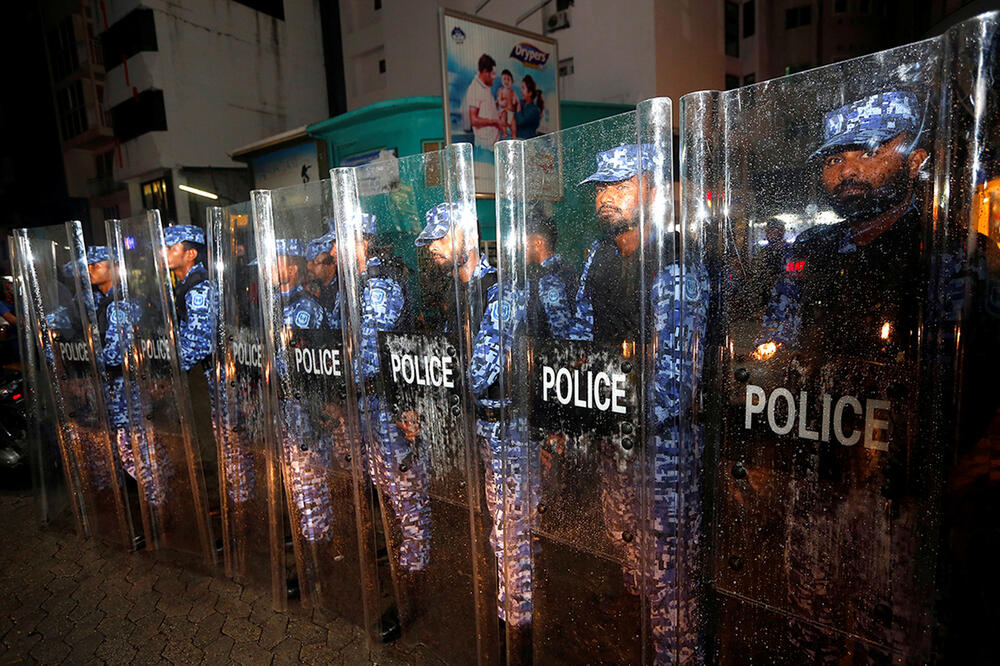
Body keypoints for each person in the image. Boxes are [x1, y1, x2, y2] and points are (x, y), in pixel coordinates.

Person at [750, 91, 937, 662]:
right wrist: (761, 443)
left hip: (901, 493)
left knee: (888, 634)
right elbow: (773, 347)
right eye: (833, 159)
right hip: (816, 469)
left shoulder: (948, 252)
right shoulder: (811, 251)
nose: (846, 169)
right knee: (811, 621)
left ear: (918, 156)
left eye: (867, 150)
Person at [570, 143, 707, 662]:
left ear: (652, 188)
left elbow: (676, 382)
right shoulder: (600, 256)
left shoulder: (673, 260)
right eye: (602, 187)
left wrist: (604, 399)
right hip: (616, 435)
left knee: (669, 571)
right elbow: (582, 341)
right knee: (626, 543)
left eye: (620, 184)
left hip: (662, 449)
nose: (606, 197)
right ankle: (644, 640)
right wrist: (578, 402)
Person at [414, 202, 530, 633]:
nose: (433, 249)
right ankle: (509, 611)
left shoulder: (503, 289)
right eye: (430, 241)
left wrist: (426, 387)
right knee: (496, 526)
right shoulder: (453, 295)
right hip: (477, 426)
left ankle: (517, 626)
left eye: (441, 237)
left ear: (469, 234)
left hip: (510, 430)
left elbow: (476, 371)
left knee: (509, 530)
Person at [88, 245, 164, 506]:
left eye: (96, 265)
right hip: (119, 387)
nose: (89, 270)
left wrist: (82, 354)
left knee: (135, 451)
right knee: (135, 449)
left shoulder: (120, 304)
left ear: (115, 268)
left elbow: (116, 353)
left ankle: (158, 509)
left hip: (127, 388)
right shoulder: (105, 302)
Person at [273, 238, 333, 543]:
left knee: (309, 476)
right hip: (283, 403)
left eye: (276, 261)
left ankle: (316, 541)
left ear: (292, 268)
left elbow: (311, 363)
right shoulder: (273, 304)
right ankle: (307, 533)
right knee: (295, 476)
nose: (270, 268)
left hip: (303, 404)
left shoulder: (305, 307)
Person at [525, 211, 578, 339]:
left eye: (524, 243)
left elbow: (560, 332)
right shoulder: (564, 270)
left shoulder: (550, 278)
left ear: (538, 243)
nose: (522, 249)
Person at [464, 54, 502, 153]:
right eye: (493, 74)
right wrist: (495, 122)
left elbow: (486, 111)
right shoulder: (475, 88)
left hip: (492, 146)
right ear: (485, 72)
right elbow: (473, 119)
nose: (494, 77)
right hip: (484, 148)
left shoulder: (485, 87)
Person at [305, 229, 340, 329]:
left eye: (315, 262)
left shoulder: (342, 291)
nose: (309, 267)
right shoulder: (311, 293)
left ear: (331, 264)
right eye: (307, 262)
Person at [514, 75, 544, 140]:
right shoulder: (521, 103)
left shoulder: (534, 110)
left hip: (528, 143)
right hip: (517, 141)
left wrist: (518, 107)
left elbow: (520, 121)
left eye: (523, 88)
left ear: (530, 93)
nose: (521, 91)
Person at [497, 69, 517, 139]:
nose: (506, 81)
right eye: (504, 79)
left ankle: (514, 135)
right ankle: (504, 133)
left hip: (511, 112)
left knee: (513, 122)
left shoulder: (512, 92)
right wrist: (502, 102)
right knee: (503, 117)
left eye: (508, 79)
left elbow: (515, 100)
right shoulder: (501, 90)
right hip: (504, 110)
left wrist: (515, 101)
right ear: (501, 80)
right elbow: (499, 100)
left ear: (512, 82)